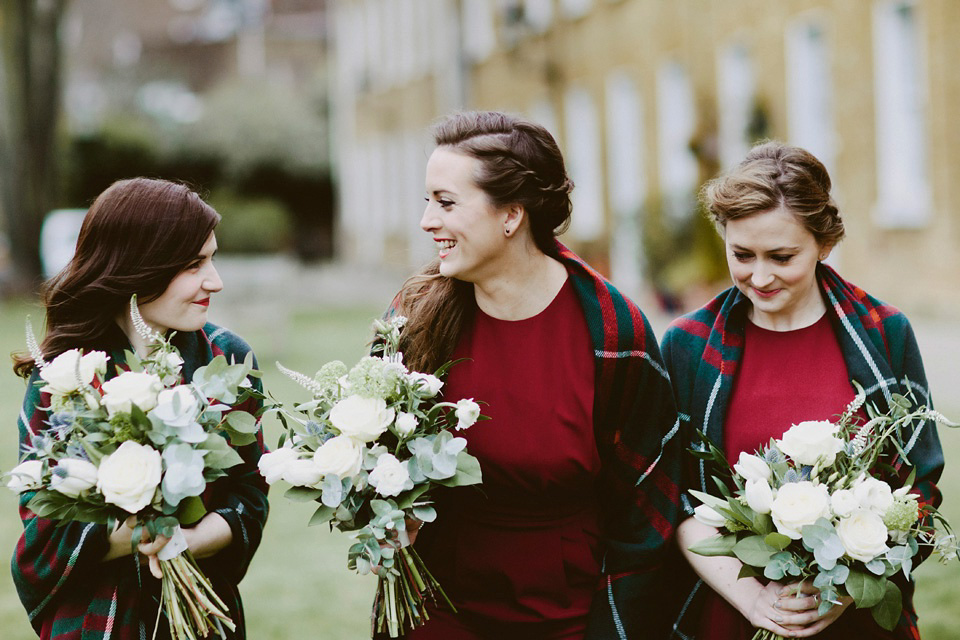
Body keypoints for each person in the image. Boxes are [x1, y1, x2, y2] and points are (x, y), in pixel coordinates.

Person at [389, 111, 681, 639]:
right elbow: (384, 453)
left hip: (567, 614)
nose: (427, 220)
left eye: (446, 202)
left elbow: (645, 509)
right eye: (427, 201)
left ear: (511, 215)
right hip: (436, 606)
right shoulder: (414, 314)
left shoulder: (614, 333)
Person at [660, 141, 944, 639]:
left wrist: (847, 589)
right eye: (741, 254)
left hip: (857, 620)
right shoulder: (689, 346)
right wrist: (755, 601)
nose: (760, 276)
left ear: (824, 244)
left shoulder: (884, 333)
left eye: (782, 256)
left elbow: (918, 490)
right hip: (730, 614)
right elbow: (673, 497)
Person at [11, 178, 269, 640]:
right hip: (96, 621)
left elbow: (249, 498)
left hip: (203, 620)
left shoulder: (226, 359)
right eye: (194, 264)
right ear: (138, 266)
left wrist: (187, 540)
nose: (216, 281)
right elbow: (42, 531)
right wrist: (141, 529)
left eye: (212, 258)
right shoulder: (62, 376)